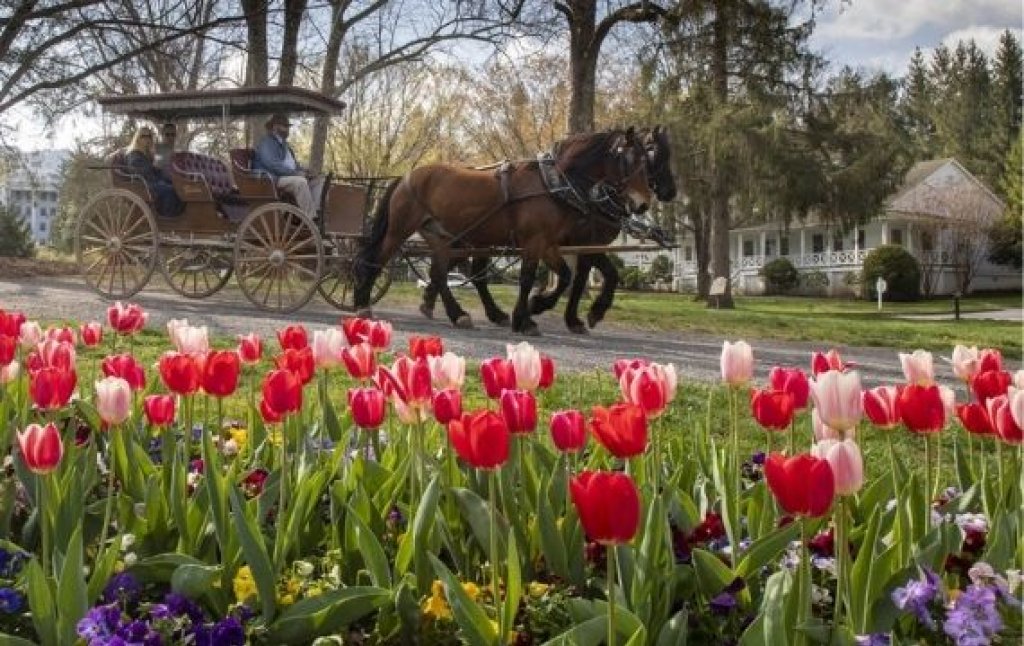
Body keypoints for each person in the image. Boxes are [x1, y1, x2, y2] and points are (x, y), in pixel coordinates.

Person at [252, 113, 325, 219]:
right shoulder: (267, 143)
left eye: (288, 126)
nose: (287, 129)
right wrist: (296, 174)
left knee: (318, 180)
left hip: (285, 176)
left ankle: (315, 211)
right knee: (300, 182)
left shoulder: (284, 145)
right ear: (275, 127)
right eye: (285, 126)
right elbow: (272, 164)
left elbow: (293, 164)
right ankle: (311, 219)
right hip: (271, 179)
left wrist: (305, 171)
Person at [125, 126, 184, 218]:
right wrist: (153, 167)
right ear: (138, 138)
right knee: (170, 190)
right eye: (143, 136)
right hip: (143, 183)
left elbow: (156, 168)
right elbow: (138, 171)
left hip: (153, 180)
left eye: (149, 136)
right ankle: (167, 217)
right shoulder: (134, 154)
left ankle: (177, 216)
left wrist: (160, 171)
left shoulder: (147, 153)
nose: (147, 139)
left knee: (178, 187)